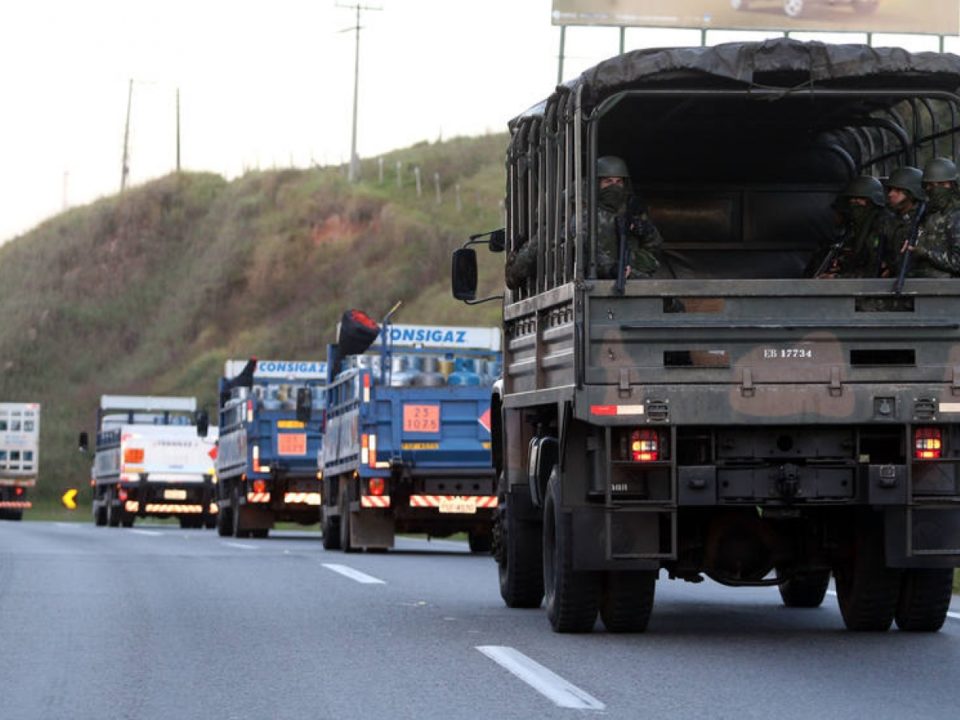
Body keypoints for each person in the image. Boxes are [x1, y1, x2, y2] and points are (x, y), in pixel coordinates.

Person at [505, 155, 662, 289]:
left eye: (618, 182)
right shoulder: (581, 212)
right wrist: (612, 269)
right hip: (588, 285)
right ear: (597, 183)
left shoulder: (631, 211)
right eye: (608, 181)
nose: (614, 187)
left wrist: (646, 231)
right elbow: (585, 248)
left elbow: (653, 250)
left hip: (629, 282)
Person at [811, 175, 892, 278]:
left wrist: (838, 278)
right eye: (852, 200)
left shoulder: (883, 226)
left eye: (860, 200)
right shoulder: (851, 231)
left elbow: (875, 270)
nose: (854, 204)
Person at [900, 157, 960, 278]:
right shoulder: (926, 214)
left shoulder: (955, 215)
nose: (935, 189)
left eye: (942, 184)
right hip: (921, 286)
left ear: (953, 185)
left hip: (948, 291)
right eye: (930, 185)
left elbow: (957, 262)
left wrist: (925, 253)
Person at [883, 166, 925, 276]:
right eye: (890, 189)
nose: (891, 194)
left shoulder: (924, 220)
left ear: (912, 193)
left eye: (898, 190)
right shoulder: (891, 220)